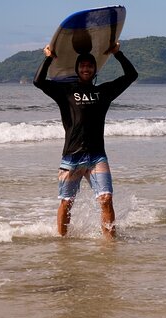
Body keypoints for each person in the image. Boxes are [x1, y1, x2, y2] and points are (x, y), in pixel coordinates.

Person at [33, 42, 138, 239]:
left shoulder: (103, 92)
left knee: (106, 199)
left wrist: (118, 53)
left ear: (94, 69)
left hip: (97, 156)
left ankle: (109, 244)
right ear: (77, 69)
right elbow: (38, 81)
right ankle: (62, 242)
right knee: (66, 202)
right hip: (71, 157)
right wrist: (48, 57)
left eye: (90, 66)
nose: (86, 68)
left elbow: (132, 75)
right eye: (82, 66)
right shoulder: (66, 92)